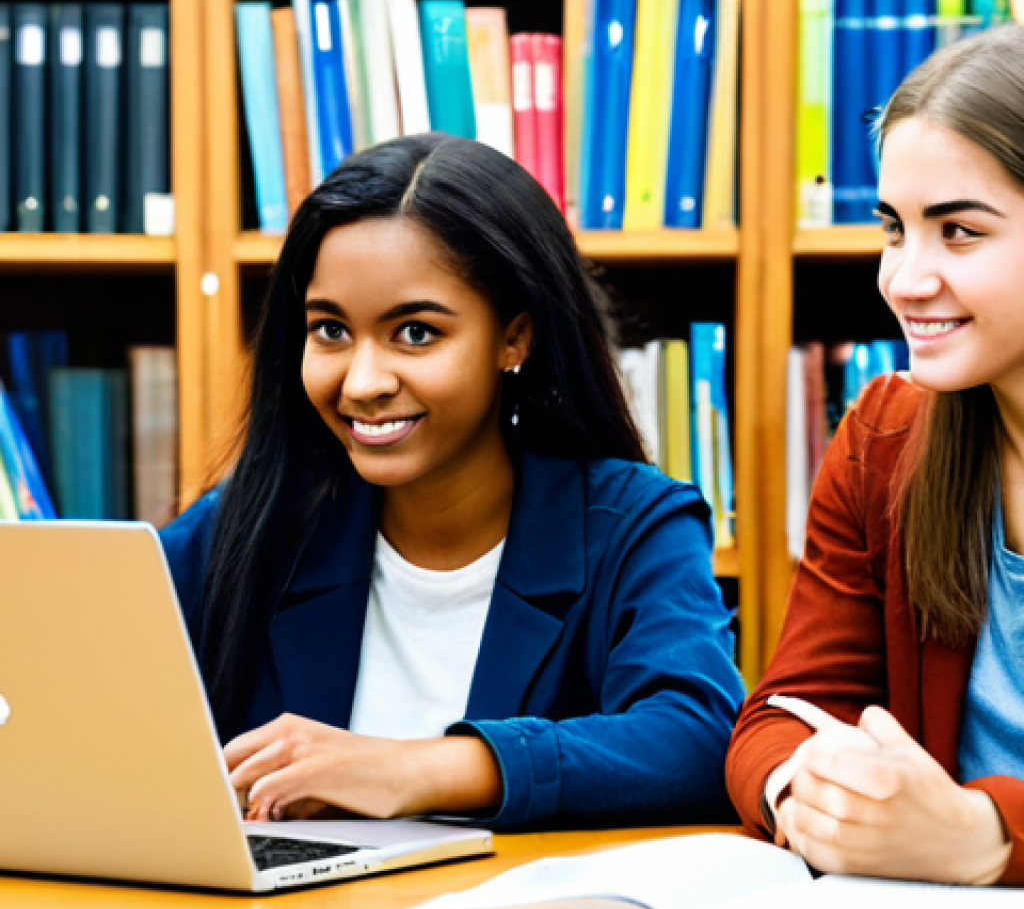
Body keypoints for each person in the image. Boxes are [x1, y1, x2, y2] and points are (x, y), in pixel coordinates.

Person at [162, 132, 744, 831]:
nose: (363, 381)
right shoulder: (254, 526)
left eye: (414, 333)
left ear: (514, 338)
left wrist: (412, 768)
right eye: (330, 331)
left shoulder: (633, 526)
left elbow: (699, 739)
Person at [727, 24, 1024, 885]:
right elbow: (784, 716)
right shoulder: (884, 441)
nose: (904, 278)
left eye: (959, 231)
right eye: (894, 228)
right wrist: (813, 796)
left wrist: (984, 834)